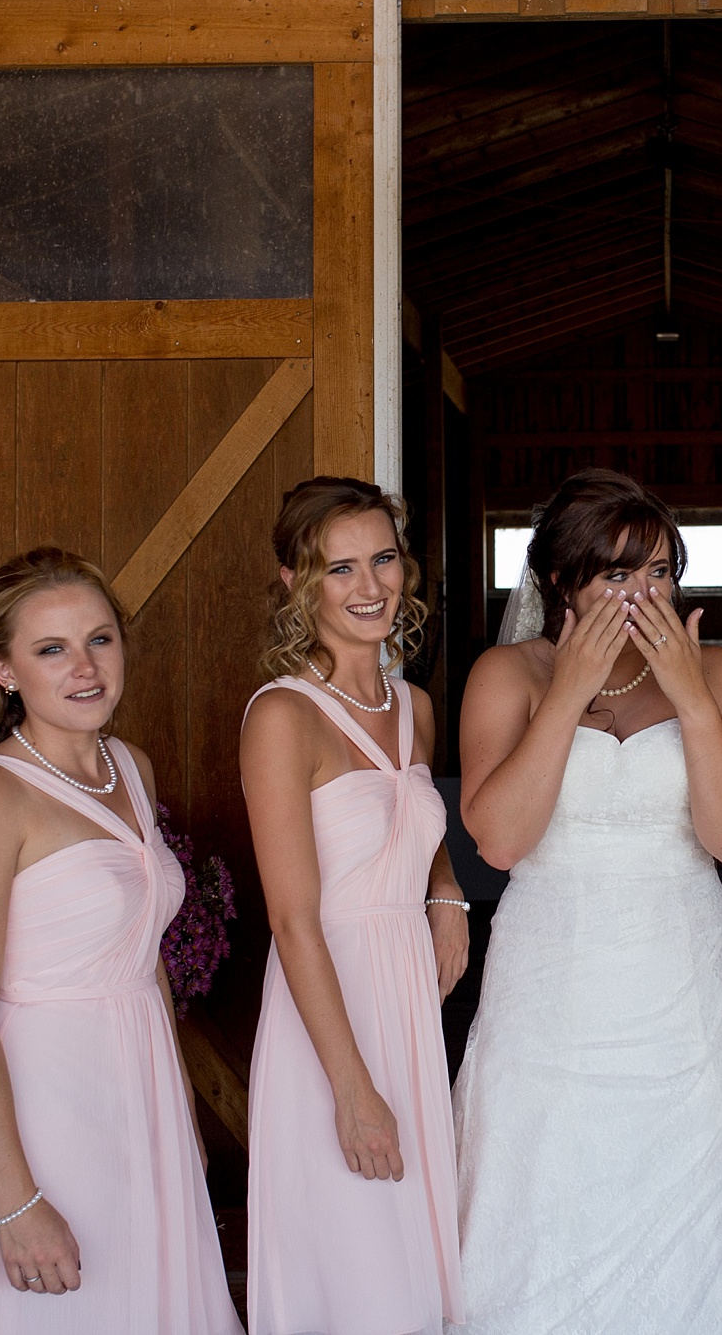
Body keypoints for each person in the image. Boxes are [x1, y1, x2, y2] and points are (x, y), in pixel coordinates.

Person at [453, 469, 722, 1335]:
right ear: (560, 581)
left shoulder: (719, 672)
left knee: (698, 1176)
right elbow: (502, 842)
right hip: (553, 970)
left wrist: (692, 696)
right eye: (616, 574)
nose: (642, 594)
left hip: (681, 968)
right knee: (547, 1169)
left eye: (658, 572)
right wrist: (570, 691)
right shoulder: (507, 675)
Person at [0, 548, 240, 1335]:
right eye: (51, 649)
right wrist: (15, 1197)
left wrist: (180, 1115)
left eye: (100, 639)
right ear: (4, 670)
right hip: (41, 1099)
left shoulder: (130, 767)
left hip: (139, 1085)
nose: (84, 667)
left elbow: (144, 952)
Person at [240, 476, 468, 1335]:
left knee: (410, 1246)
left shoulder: (414, 707)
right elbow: (294, 920)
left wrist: (445, 887)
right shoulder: (282, 717)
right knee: (353, 1256)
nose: (370, 586)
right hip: (327, 1009)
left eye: (383, 559)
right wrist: (351, 1088)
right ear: (300, 585)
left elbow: (409, 817)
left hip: (405, 995)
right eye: (340, 568)